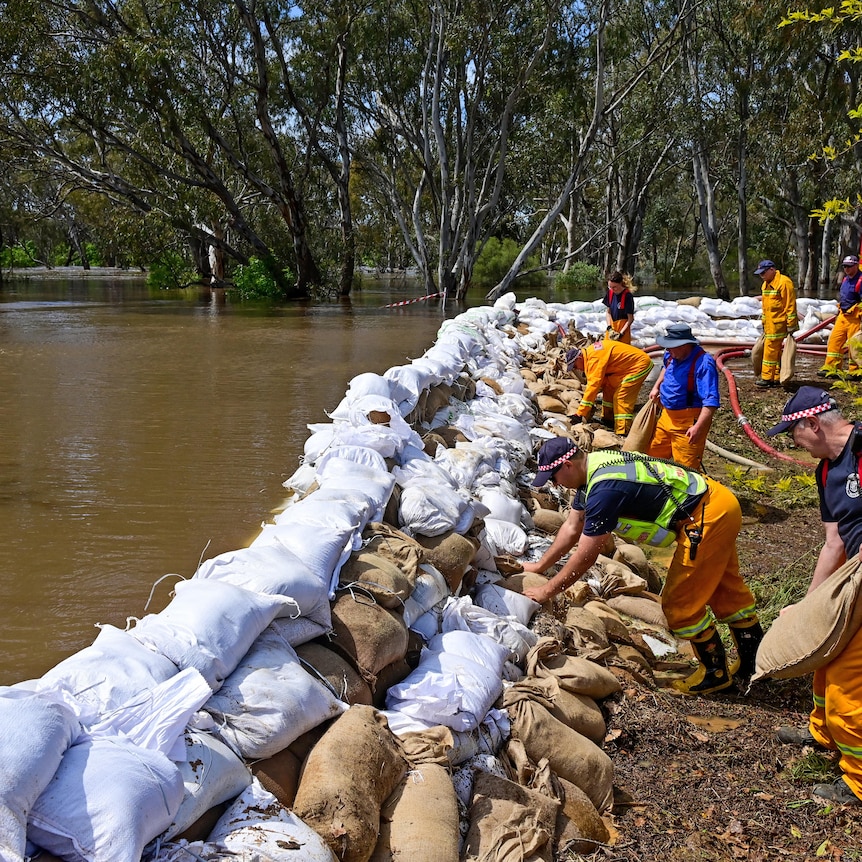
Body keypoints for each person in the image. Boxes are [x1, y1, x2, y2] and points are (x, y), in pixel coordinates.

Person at [522, 437, 762, 695]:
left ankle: (715, 676)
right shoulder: (593, 469)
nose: (554, 484)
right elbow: (571, 527)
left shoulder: (605, 490)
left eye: (554, 477)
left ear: (568, 465)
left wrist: (548, 591)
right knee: (725, 589)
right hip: (718, 503)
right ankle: (755, 665)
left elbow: (587, 554)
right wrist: (538, 566)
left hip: (706, 518)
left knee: (680, 605)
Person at [766, 386, 862, 806]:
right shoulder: (826, 471)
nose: (793, 443)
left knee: (848, 686)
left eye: (793, 433)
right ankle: (822, 731)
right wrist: (809, 605)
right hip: (854, 577)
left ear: (812, 422)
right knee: (826, 657)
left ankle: (858, 781)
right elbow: (833, 541)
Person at [646, 323, 720, 470]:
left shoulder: (704, 364)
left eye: (671, 346)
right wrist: (656, 387)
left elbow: (711, 402)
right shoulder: (671, 355)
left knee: (686, 469)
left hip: (687, 423)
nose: (668, 350)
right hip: (666, 417)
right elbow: (665, 369)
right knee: (653, 458)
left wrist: (698, 427)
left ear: (685, 345)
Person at [569, 339, 652, 436]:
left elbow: (593, 386)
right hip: (624, 368)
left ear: (579, 357)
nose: (576, 369)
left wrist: (580, 414)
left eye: (575, 366)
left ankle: (623, 430)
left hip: (639, 366)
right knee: (608, 387)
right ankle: (608, 419)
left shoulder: (594, 358)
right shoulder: (591, 354)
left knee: (621, 397)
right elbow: (600, 382)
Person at [754, 259, 798, 388]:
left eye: (763, 273)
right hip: (769, 324)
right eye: (760, 274)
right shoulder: (765, 284)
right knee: (776, 351)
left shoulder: (784, 283)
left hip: (779, 324)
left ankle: (767, 378)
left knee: (770, 351)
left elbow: (790, 305)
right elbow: (765, 307)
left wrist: (791, 324)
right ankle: (776, 376)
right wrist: (763, 321)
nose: (762, 276)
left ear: (772, 270)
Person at [819, 254, 862, 378]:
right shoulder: (845, 279)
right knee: (834, 341)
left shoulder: (860, 280)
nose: (846, 269)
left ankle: (856, 371)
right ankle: (832, 368)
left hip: (855, 317)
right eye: (845, 267)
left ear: (856, 265)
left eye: (849, 266)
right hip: (843, 316)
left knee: (855, 345)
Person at [602, 271, 635, 344]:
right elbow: (608, 312)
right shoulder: (610, 293)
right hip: (612, 329)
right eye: (610, 287)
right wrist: (609, 328)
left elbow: (630, 319)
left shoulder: (627, 296)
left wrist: (621, 334)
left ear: (620, 283)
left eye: (614, 287)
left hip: (623, 330)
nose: (612, 289)